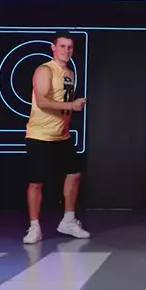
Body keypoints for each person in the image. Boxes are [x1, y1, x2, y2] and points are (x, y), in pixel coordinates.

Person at [22, 30, 90, 244]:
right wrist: (71, 105)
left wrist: (70, 110)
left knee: (74, 174)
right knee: (36, 182)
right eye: (62, 46)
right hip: (39, 135)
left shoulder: (69, 73)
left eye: (70, 47)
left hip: (62, 136)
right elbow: (42, 101)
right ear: (53, 48)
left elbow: (63, 104)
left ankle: (68, 220)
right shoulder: (44, 70)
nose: (66, 50)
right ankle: (34, 227)